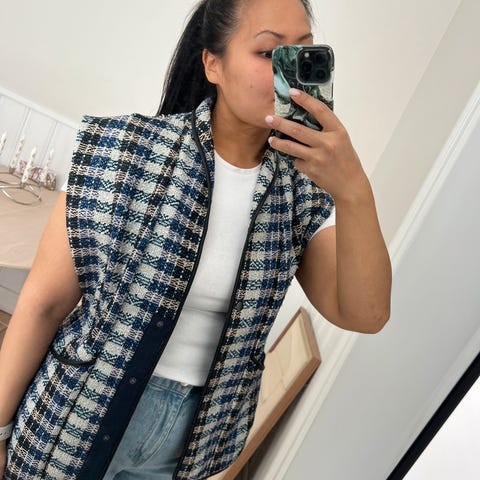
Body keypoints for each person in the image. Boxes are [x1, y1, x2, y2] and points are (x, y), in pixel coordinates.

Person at [0, 0, 392, 478]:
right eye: (268, 53)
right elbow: (42, 304)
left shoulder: (300, 194)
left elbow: (365, 314)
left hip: (190, 447)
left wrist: (354, 191)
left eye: (303, 54)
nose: (288, 75)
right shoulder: (124, 149)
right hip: (75, 418)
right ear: (213, 64)